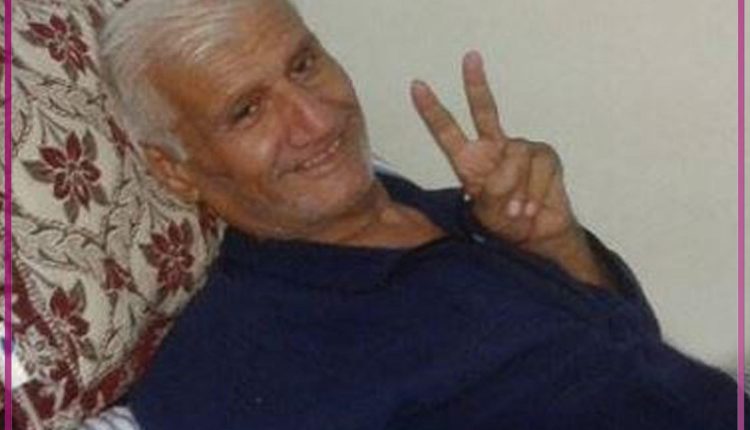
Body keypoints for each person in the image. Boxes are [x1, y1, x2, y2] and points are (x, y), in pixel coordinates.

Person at [98, 0, 743, 428]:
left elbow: (630, 352)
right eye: (248, 111)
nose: (316, 121)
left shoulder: (444, 210)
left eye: (304, 64)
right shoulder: (238, 362)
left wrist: (557, 244)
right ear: (175, 169)